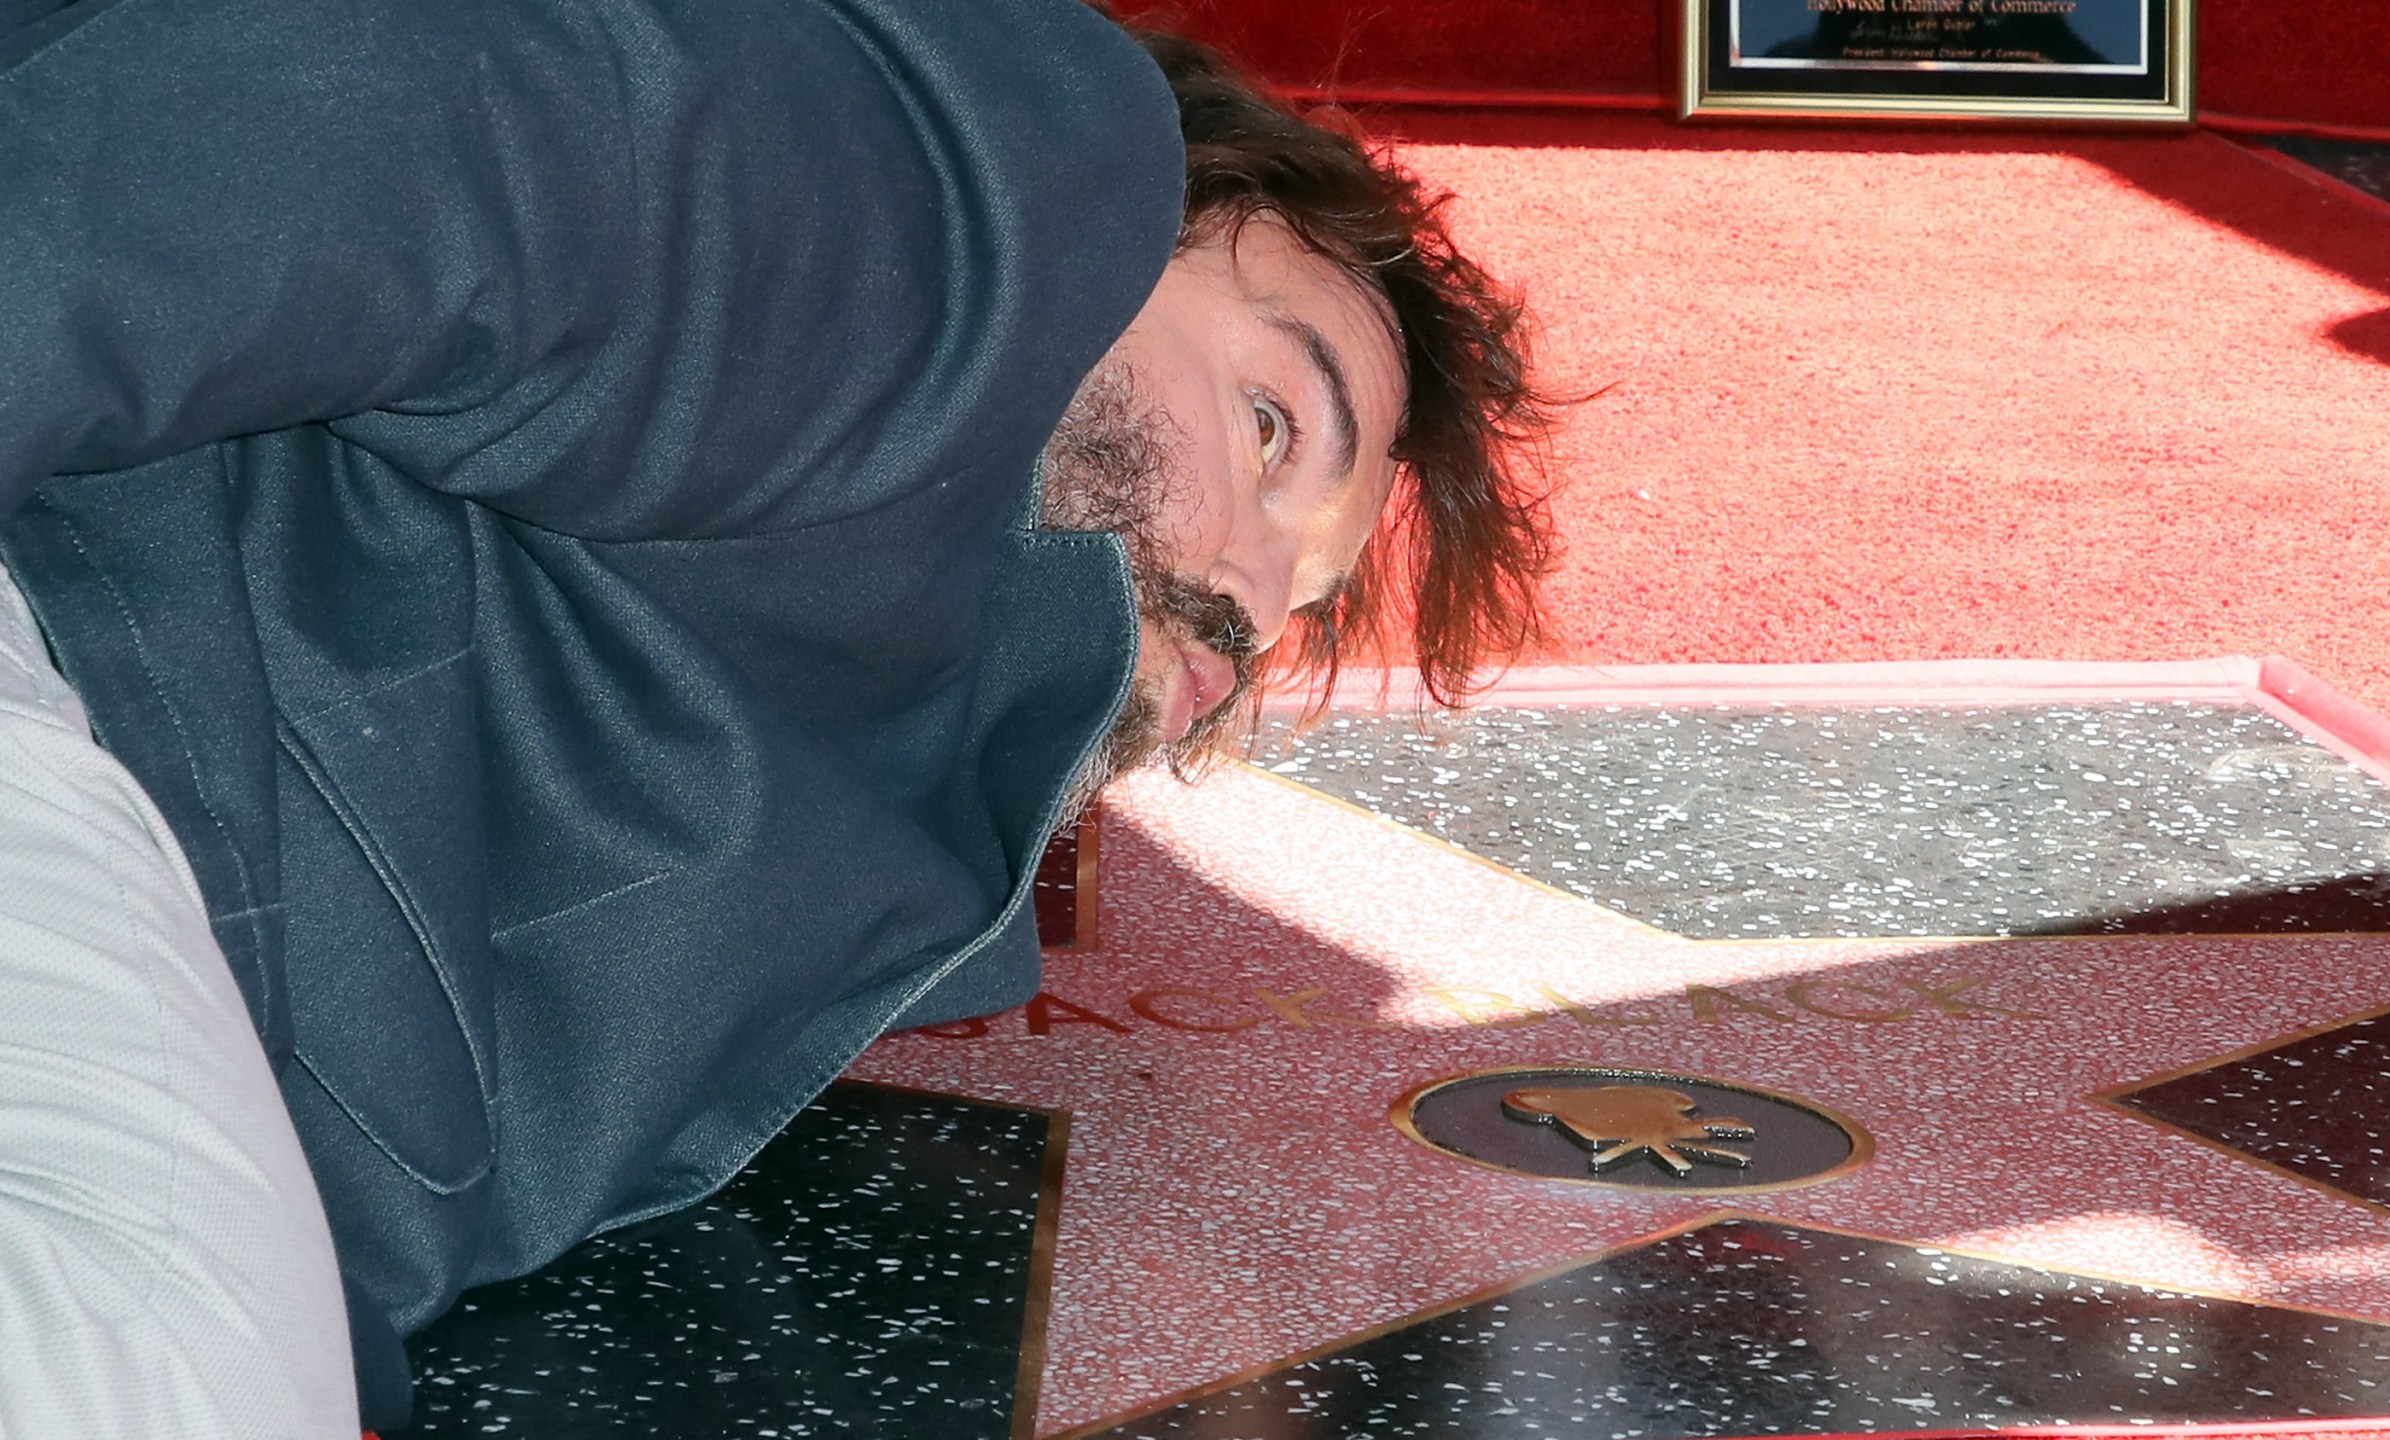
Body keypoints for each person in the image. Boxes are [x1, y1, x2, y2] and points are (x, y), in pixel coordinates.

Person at [0, 0, 1554, 1432]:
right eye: (1270, 421)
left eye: (1310, 584)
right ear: (1111, 239)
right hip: (65, 656)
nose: (1253, 588)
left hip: (137, 849)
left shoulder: (919, 751)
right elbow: (349, 119)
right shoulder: (951, 205)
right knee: (165, 1360)